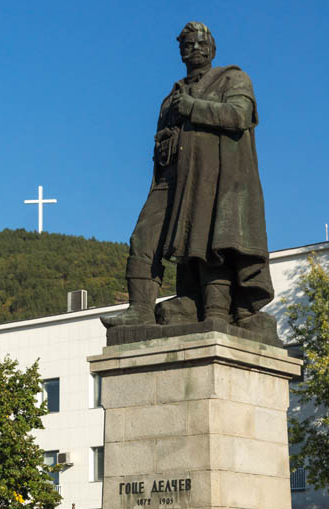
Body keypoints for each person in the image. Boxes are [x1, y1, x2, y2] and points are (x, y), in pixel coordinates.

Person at [104, 21, 273, 333]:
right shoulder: (170, 98)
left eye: (200, 43)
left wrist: (193, 107)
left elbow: (239, 116)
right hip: (171, 179)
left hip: (214, 179)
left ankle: (216, 309)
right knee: (143, 237)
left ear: (212, 47)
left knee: (210, 242)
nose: (195, 49)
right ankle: (139, 308)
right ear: (180, 52)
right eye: (188, 44)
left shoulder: (233, 79)